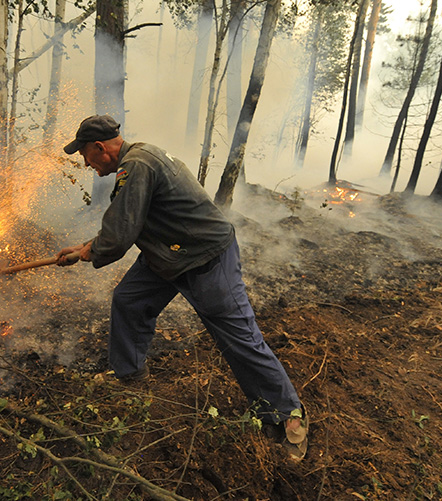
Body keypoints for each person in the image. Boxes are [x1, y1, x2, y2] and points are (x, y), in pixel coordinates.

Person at [56, 115, 308, 460]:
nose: (86, 163)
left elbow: (120, 233)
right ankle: (129, 375)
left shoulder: (137, 166)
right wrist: (84, 247)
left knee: (240, 338)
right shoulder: (141, 158)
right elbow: (129, 221)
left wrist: (92, 251)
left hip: (205, 257)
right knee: (129, 300)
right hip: (168, 252)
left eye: (85, 155)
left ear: (100, 148)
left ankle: (288, 417)